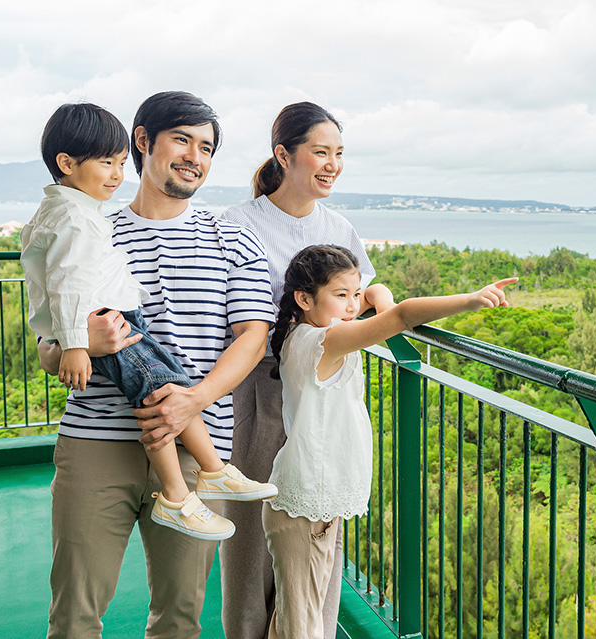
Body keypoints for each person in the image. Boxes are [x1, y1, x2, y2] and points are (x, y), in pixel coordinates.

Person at [38, 91, 275, 639]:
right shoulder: (90, 229)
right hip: (97, 442)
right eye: (182, 140)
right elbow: (52, 348)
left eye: (207, 147)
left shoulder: (233, 237)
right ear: (142, 142)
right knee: (74, 613)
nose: (195, 155)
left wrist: (194, 398)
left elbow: (252, 337)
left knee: (180, 618)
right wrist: (85, 343)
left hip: (196, 447)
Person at [264, 244, 516, 639]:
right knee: (301, 628)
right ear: (304, 299)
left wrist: (376, 297)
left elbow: (375, 293)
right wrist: (471, 300)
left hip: (312, 502)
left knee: (297, 622)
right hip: (304, 508)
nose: (351, 305)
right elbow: (400, 315)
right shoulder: (323, 341)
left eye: (352, 294)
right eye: (340, 296)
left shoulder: (307, 331)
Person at [219, 102, 377, 639]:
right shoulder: (238, 225)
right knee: (249, 539)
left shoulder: (339, 226)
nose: (331, 164)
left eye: (338, 154)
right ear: (283, 155)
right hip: (260, 389)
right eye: (320, 152)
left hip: (321, 398)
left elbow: (366, 287)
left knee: (316, 539)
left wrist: (380, 295)